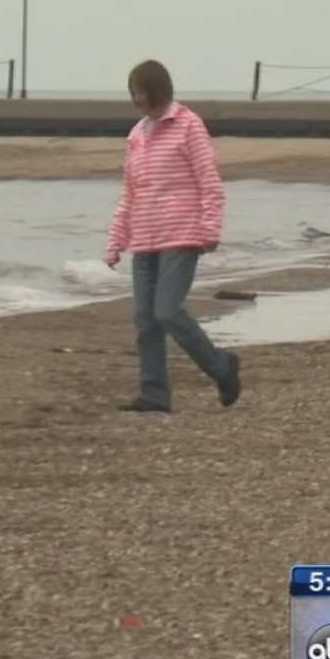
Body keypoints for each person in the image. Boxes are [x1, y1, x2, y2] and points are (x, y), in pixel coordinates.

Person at [103, 59, 241, 413]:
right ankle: (154, 394)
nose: (136, 97)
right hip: (144, 239)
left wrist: (210, 228)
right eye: (133, 91)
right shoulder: (137, 134)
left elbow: (209, 182)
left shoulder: (188, 125)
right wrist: (116, 240)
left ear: (156, 89)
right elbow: (130, 194)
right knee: (145, 319)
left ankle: (221, 367)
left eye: (140, 90)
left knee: (166, 312)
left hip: (181, 234)